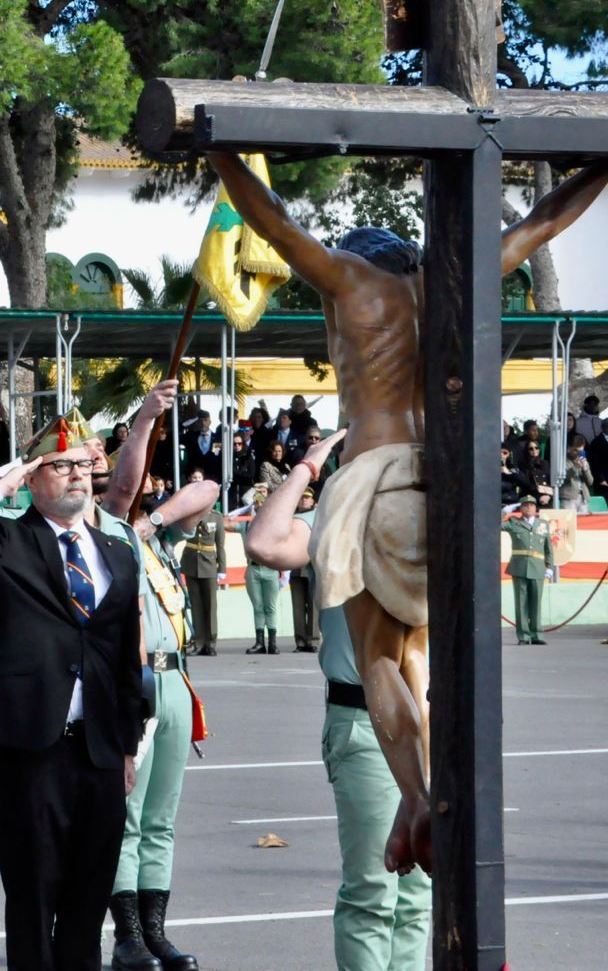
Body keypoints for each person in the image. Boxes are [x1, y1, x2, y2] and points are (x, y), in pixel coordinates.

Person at [207, 151, 608, 872]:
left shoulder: (348, 280)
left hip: (376, 470)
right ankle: (414, 800)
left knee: (379, 660)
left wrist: (220, 156)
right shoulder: (455, 278)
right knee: (423, 654)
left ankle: (418, 798)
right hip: (449, 481)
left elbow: (273, 221)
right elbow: (546, 220)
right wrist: (602, 167)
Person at [0, 415, 144, 971]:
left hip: (99, 750)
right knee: (33, 896)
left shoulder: (115, 552)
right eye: (59, 465)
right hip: (32, 745)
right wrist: (1, 483)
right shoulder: (4, 539)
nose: (75, 476)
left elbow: (122, 655)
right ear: (34, 477)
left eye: (82, 466)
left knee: (89, 900)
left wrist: (128, 743)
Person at [243, 428, 430, 971]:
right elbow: (263, 544)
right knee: (375, 887)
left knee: (422, 890)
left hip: (435, 715)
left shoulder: (430, 516)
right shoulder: (335, 523)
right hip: (367, 718)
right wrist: (308, 467)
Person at [108, 479, 219, 971]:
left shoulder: (155, 538)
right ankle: (126, 935)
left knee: (161, 819)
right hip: (136, 678)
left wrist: (150, 523)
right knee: (127, 818)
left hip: (174, 678)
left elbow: (209, 490)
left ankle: (155, 932)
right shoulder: (106, 535)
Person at [177, 470, 226, 657]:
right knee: (196, 604)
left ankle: (211, 642)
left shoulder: (216, 516)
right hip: (191, 561)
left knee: (210, 605)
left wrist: (222, 568)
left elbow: (220, 545)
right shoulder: (189, 512)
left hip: (208, 563)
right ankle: (198, 641)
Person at [230, 488, 281, 654]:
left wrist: (284, 572)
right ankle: (260, 642)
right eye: (256, 502)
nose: (259, 504)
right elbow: (227, 519)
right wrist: (245, 508)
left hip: (270, 568)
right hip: (253, 568)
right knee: (258, 606)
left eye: (262, 501)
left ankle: (272, 643)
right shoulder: (246, 524)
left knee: (271, 607)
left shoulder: (274, 525)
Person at [503, 496, 556, 646]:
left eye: (532, 505)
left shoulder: (543, 525)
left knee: (536, 602)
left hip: (538, 567)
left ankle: (537, 634)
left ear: (535, 508)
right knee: (521, 604)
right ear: (520, 508)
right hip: (519, 566)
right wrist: (504, 512)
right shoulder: (514, 523)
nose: (529, 508)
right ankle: (523, 636)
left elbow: (548, 549)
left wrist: (550, 567)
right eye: (525, 505)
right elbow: (494, 524)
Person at [290, 488, 321, 652]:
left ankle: (313, 640)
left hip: (312, 565)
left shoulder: (317, 517)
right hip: (295, 566)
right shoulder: (292, 519)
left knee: (314, 606)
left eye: (307, 498)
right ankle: (300, 641)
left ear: (313, 501)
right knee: (298, 606)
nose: (304, 500)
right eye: (302, 498)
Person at [560, 438, 595, 513]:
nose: (578, 453)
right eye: (576, 450)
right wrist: (576, 467)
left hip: (583, 497)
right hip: (568, 497)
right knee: (569, 522)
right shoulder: (562, 461)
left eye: (581, 451)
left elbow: (590, 482)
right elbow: (563, 478)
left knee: (584, 523)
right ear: (569, 448)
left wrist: (585, 469)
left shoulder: (583, 461)